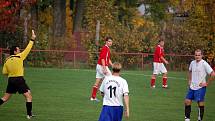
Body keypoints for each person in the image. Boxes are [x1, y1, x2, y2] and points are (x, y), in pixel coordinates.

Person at [0, 30, 36, 119]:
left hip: (11, 80)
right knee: (29, 97)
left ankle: (30, 113)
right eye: (18, 49)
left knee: (5, 98)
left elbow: (4, 72)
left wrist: (12, 71)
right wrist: (32, 39)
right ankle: (29, 115)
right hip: (19, 79)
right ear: (15, 51)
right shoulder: (20, 56)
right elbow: (28, 48)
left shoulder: (7, 60)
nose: (20, 50)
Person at [184, 49, 215, 121]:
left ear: (201, 55)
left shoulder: (204, 64)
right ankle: (187, 119)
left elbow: (213, 74)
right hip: (192, 86)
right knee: (187, 101)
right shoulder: (192, 63)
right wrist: (189, 80)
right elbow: (190, 71)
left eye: (199, 55)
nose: (197, 56)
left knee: (200, 103)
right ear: (194, 55)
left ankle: (200, 119)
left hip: (200, 87)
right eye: (196, 55)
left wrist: (206, 83)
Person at [90, 37, 113, 101]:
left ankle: (93, 97)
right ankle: (105, 95)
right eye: (109, 41)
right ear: (106, 42)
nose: (110, 42)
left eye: (111, 41)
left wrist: (112, 65)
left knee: (97, 81)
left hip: (99, 66)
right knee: (110, 78)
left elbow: (107, 59)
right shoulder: (105, 48)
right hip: (102, 66)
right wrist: (104, 68)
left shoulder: (107, 49)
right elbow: (103, 59)